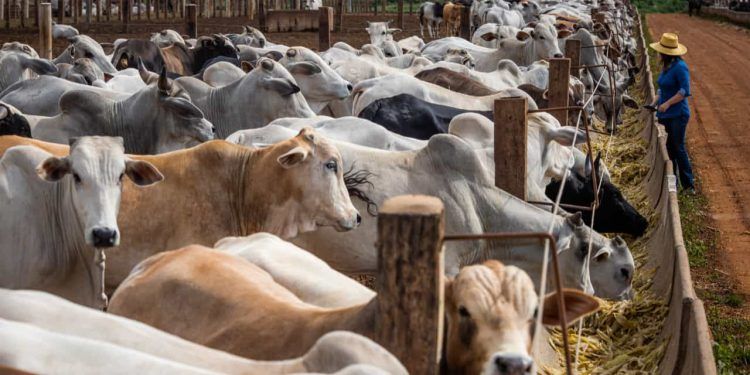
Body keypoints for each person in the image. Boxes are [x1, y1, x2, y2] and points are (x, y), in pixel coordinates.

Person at [650, 32, 695, 194]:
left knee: (678, 147)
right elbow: (663, 88)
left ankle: (689, 185)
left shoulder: (680, 68)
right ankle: (673, 184)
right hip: (667, 115)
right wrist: (655, 102)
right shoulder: (667, 67)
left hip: (678, 114)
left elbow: (684, 91)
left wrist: (668, 104)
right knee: (670, 148)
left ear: (665, 53)